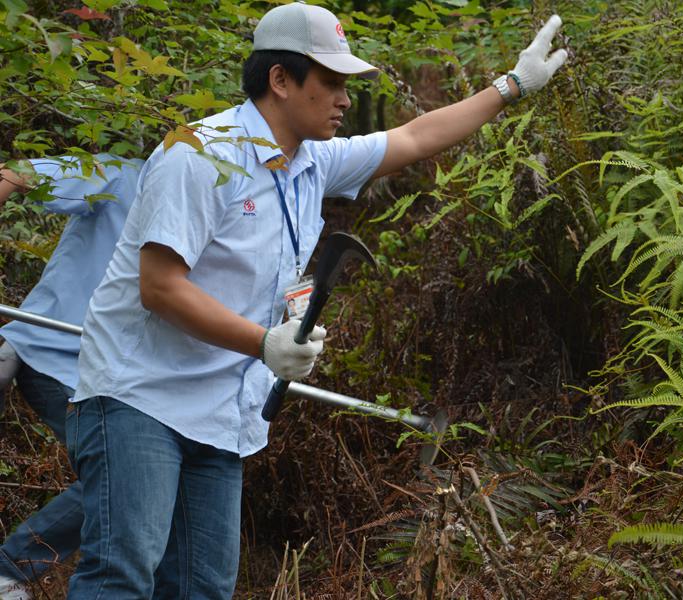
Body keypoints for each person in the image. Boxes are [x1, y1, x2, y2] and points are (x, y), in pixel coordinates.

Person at [66, 2, 567, 598]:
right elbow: (160, 287)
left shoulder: (310, 163)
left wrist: (509, 86)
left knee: (202, 587)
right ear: (280, 79)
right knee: (124, 574)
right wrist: (262, 342)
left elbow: (413, 136)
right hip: (138, 396)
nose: (344, 98)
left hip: (220, 411)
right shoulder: (197, 155)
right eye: (330, 81)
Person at [0, 155, 144, 600]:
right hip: (54, 354)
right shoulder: (122, 175)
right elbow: (13, 174)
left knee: (138, 476)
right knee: (126, 470)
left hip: (118, 374)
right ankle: (9, 569)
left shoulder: (222, 202)